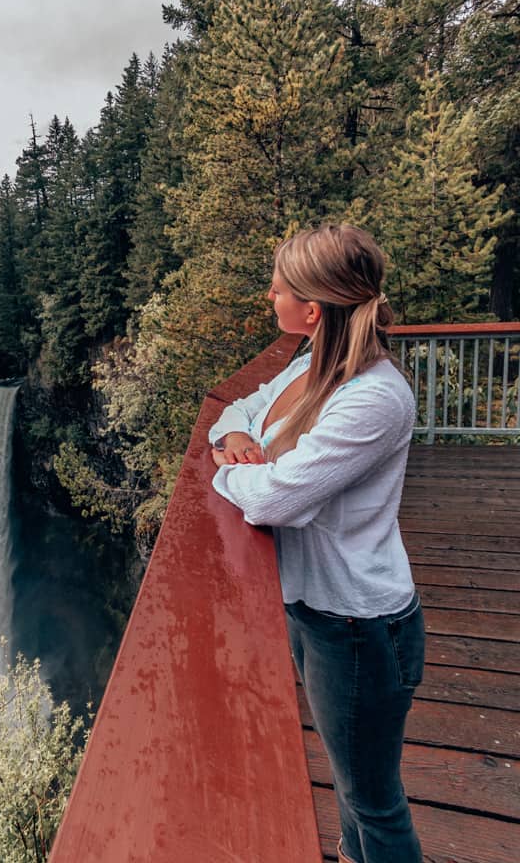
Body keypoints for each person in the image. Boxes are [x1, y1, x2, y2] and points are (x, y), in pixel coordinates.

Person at [208, 224, 424, 863]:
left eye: (281, 284)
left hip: (361, 623)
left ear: (313, 307)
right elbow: (236, 408)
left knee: (374, 800)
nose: (269, 292)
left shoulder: (374, 398)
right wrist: (237, 442)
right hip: (315, 609)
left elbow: (276, 499)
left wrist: (226, 468)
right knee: (352, 782)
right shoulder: (311, 367)